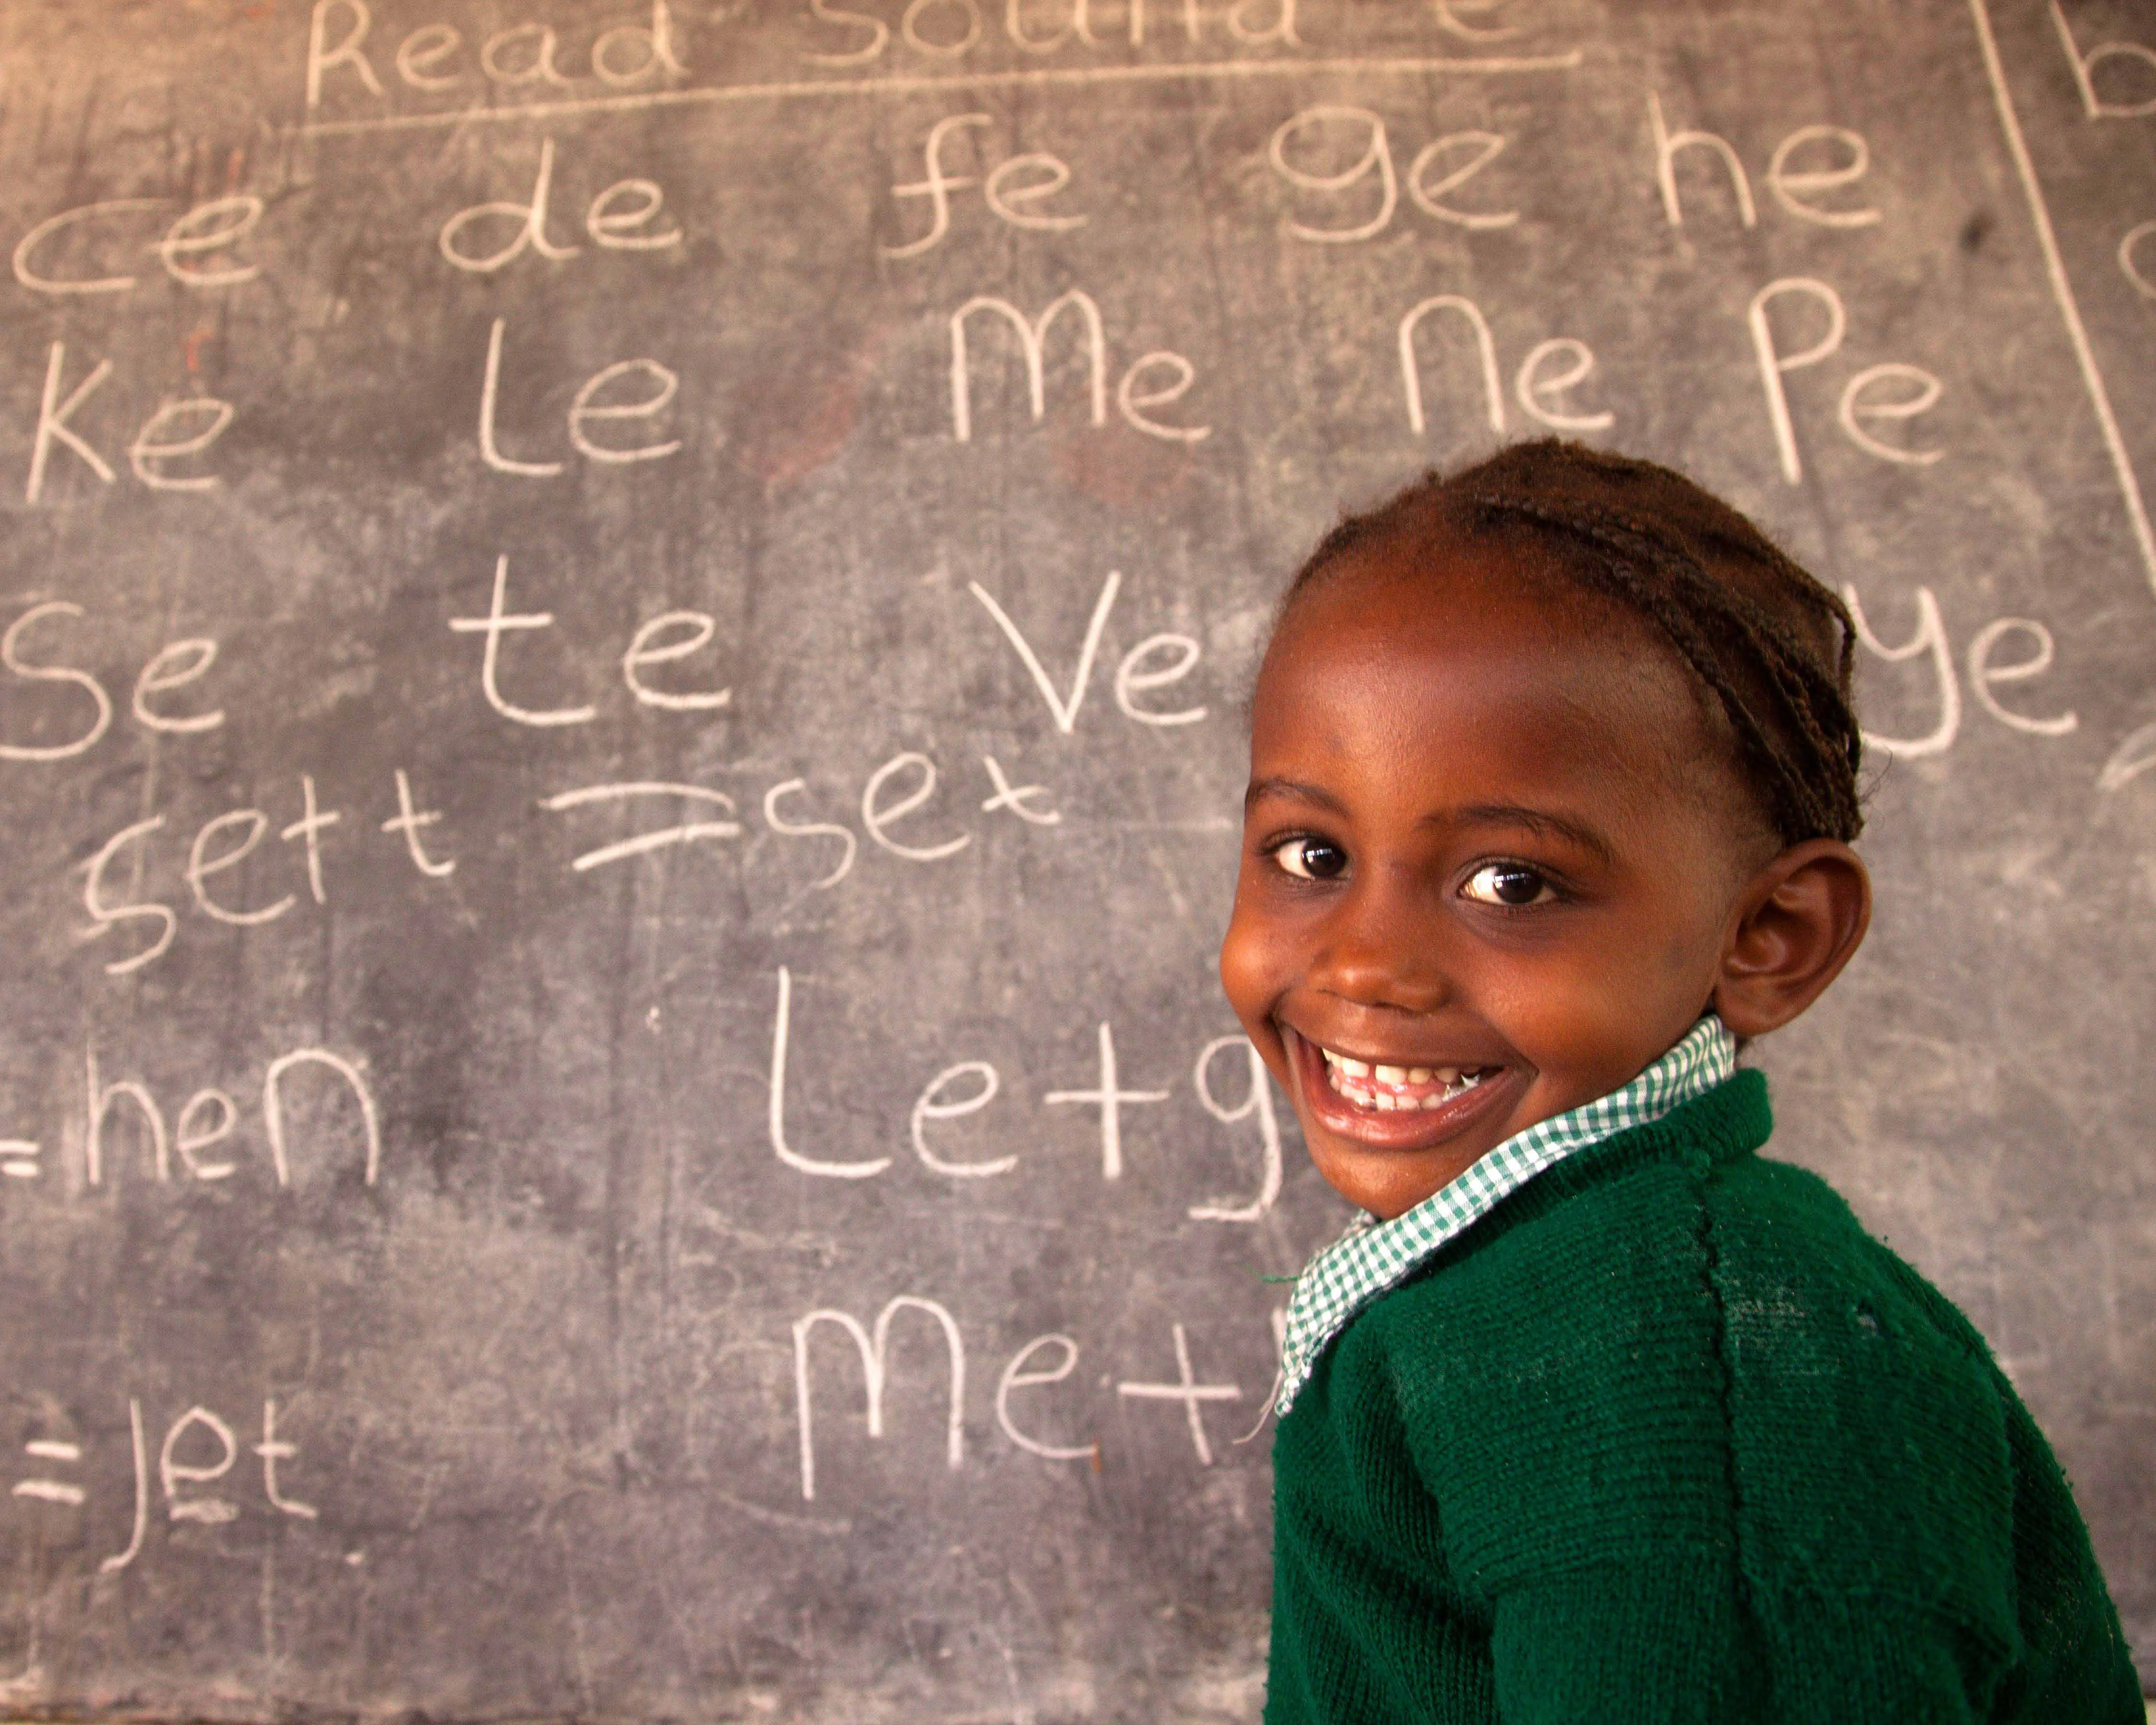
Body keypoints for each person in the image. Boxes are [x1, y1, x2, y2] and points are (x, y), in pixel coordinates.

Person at [1218, 439, 2144, 1723]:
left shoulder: (1684, 1374)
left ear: (1772, 937)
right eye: (1311, 852)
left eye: (1513, 883)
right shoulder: (1534, 1284)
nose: (1364, 966)